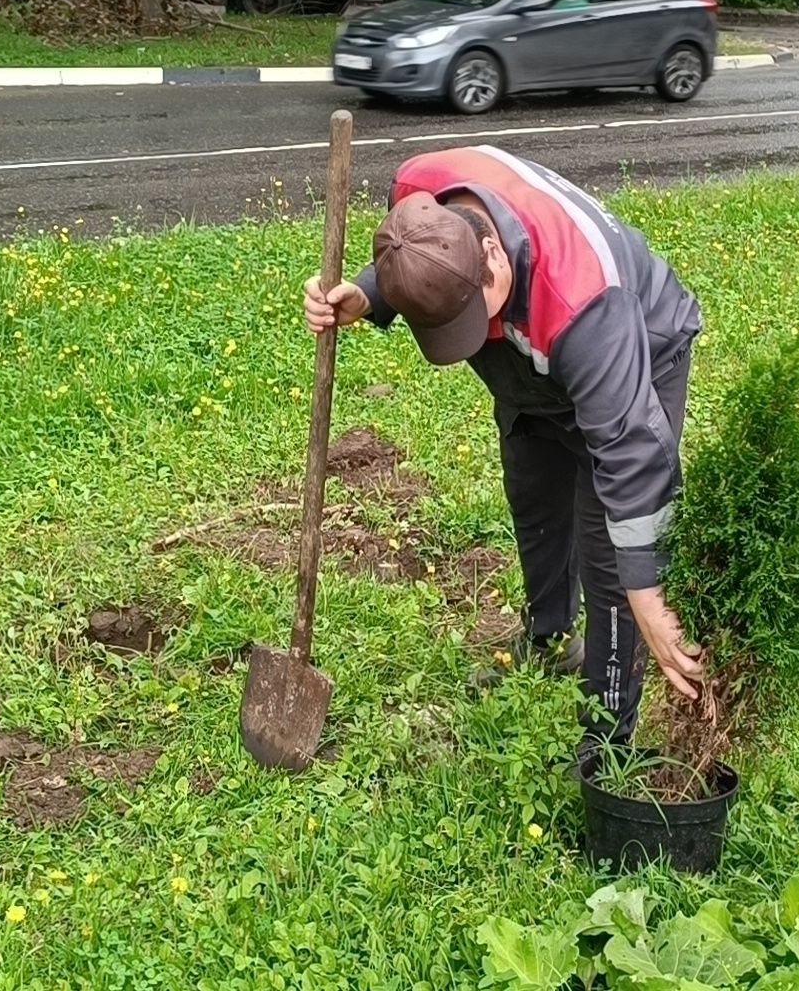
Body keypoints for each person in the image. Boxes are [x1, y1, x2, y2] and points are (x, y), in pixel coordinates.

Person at [302, 145, 704, 755]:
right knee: (534, 495)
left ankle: (606, 740)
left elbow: (631, 459)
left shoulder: (585, 298)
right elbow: (419, 261)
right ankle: (548, 640)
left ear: (490, 251)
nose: (473, 329)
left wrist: (647, 594)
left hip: (639, 343)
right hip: (531, 361)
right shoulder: (419, 195)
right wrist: (369, 293)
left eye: (472, 311)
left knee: (611, 557)